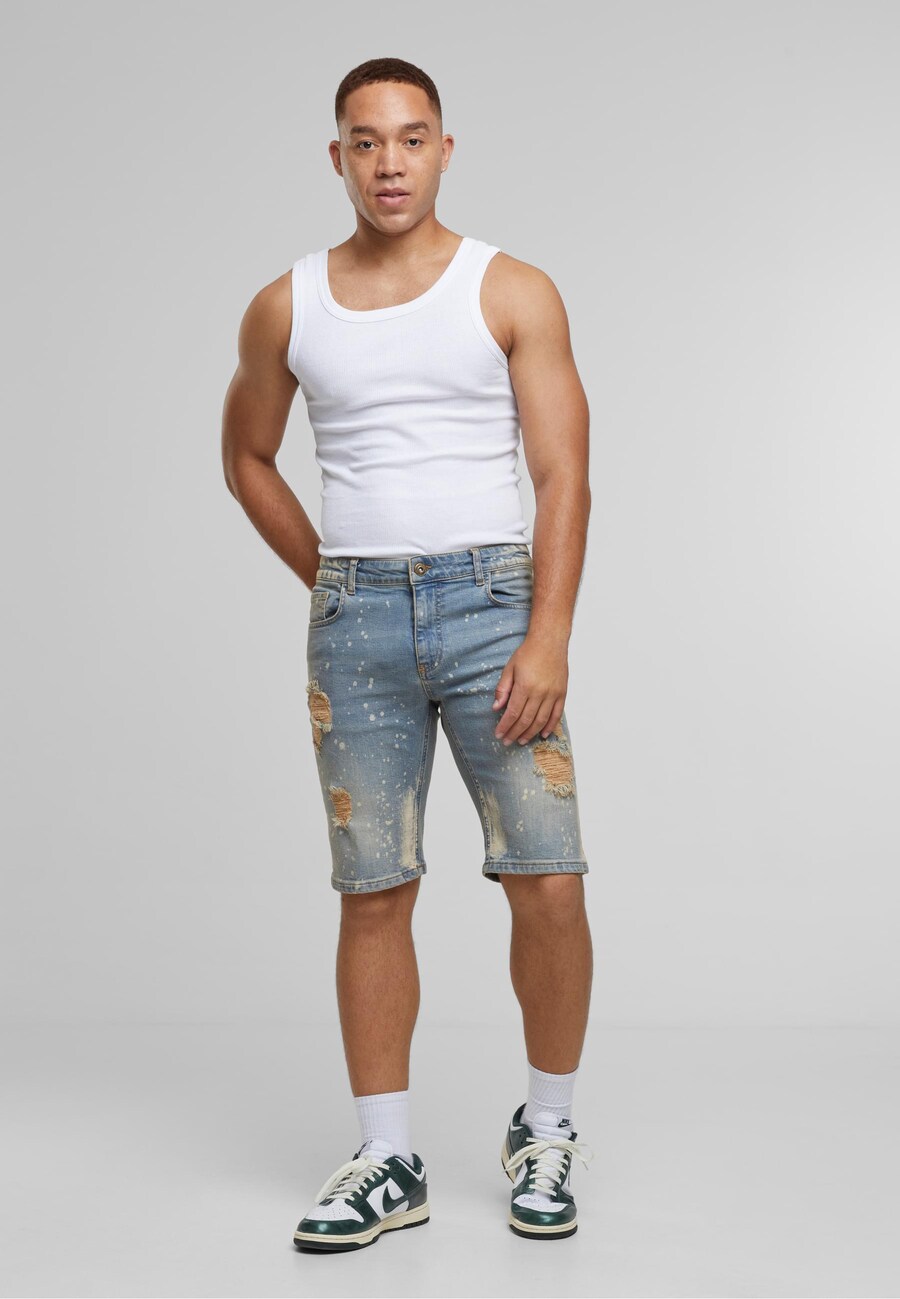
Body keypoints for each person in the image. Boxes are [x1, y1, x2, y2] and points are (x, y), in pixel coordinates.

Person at [221, 56, 595, 1250]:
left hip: (495, 611)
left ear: (444, 149)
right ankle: (388, 1158)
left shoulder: (511, 288)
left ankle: (547, 1127)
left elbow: (563, 473)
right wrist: (334, 582)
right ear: (337, 156)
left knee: (548, 880)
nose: (391, 162)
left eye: (413, 137)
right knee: (374, 891)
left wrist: (548, 633)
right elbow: (245, 456)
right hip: (360, 626)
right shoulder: (287, 304)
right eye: (367, 140)